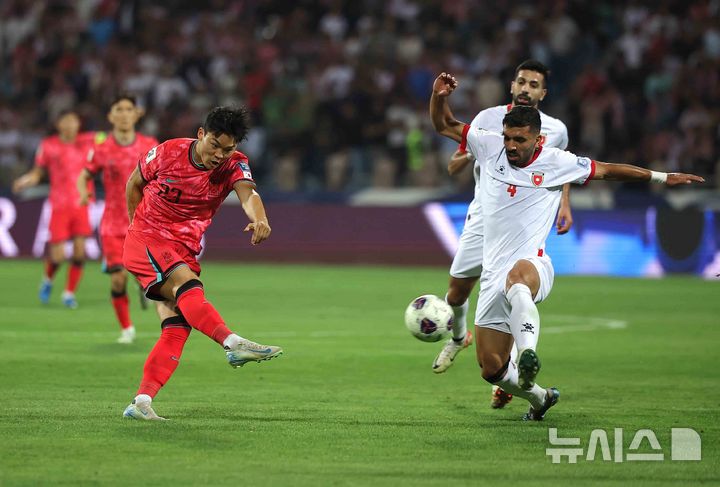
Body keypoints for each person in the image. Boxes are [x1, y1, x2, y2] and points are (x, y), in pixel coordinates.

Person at [430, 73, 703, 420]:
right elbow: (445, 124)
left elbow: (608, 170)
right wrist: (439, 96)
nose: (511, 146)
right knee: (491, 368)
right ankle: (540, 398)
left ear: (538, 139)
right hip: (491, 275)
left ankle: (527, 355)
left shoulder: (557, 162)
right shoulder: (488, 144)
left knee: (517, 280)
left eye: (519, 140)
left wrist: (663, 177)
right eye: (508, 138)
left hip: (532, 265)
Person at [121, 106, 283, 420]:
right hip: (148, 237)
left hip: (183, 251)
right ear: (201, 134)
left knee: (177, 327)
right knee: (188, 286)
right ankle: (232, 343)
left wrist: (260, 218)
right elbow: (134, 183)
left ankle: (141, 402)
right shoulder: (168, 152)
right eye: (214, 145)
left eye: (228, 149)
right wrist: (134, 229)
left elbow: (248, 194)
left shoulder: (235, 165)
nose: (219, 155)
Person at [432, 60, 573, 412]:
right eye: (521, 82)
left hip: (520, 220)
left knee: (511, 288)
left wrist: (564, 204)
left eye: (534, 84)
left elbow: (562, 167)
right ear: (512, 86)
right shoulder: (487, 118)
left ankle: (508, 374)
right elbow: (458, 157)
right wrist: (468, 155)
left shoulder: (556, 130)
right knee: (456, 292)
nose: (526, 88)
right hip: (483, 215)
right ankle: (459, 337)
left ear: (543, 93)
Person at [77, 93, 158, 344]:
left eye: (128, 109)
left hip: (144, 223)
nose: (124, 114)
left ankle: (143, 288)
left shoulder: (150, 145)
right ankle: (127, 329)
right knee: (117, 278)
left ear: (137, 114)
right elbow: (84, 175)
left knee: (150, 278)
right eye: (118, 109)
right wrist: (84, 194)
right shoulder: (102, 149)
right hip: (112, 225)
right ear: (110, 116)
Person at [13, 110, 96, 309]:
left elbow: (110, 139)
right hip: (59, 206)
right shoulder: (48, 145)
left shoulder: (89, 141)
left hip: (82, 204)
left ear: (78, 124)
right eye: (65, 121)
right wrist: (25, 181)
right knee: (58, 256)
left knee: (79, 253)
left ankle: (69, 293)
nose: (70, 125)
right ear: (58, 124)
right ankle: (48, 279)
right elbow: (38, 173)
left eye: (73, 121)